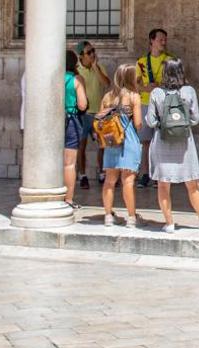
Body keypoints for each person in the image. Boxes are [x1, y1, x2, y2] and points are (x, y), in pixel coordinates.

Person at [150, 58, 199, 230]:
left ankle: (169, 223)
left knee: (163, 183)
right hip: (184, 143)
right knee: (192, 183)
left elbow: (151, 121)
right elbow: (196, 118)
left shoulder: (156, 93)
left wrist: (163, 123)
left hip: (162, 142)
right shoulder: (189, 91)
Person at [97, 63, 145, 227]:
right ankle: (131, 218)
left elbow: (100, 120)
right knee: (128, 182)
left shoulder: (107, 97)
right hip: (128, 141)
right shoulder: (133, 96)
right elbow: (138, 123)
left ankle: (108, 216)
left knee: (110, 181)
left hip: (111, 142)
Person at [137, 29, 176, 187]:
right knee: (145, 141)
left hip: (163, 104)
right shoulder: (141, 61)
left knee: (161, 141)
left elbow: (176, 81)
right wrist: (145, 88)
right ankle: (145, 173)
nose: (163, 42)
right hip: (146, 103)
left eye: (165, 39)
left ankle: (159, 175)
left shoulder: (170, 60)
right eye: (160, 39)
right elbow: (135, 83)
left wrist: (160, 85)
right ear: (151, 41)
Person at [74, 41, 108, 190]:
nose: (93, 54)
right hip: (83, 114)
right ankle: (83, 175)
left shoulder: (99, 68)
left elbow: (106, 83)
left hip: (99, 113)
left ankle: (102, 173)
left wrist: (95, 67)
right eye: (89, 52)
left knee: (103, 145)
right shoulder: (76, 71)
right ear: (81, 55)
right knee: (81, 146)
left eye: (93, 51)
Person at [62, 49, 88, 208]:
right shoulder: (76, 79)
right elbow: (82, 104)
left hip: (54, 123)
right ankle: (68, 200)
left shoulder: (54, 78)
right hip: (71, 121)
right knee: (69, 164)